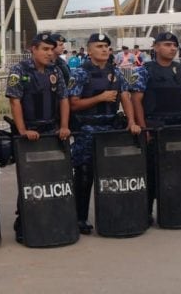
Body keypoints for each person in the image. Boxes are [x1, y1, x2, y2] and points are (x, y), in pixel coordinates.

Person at [67, 33, 140, 235]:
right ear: (89, 50)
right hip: (87, 130)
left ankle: (112, 215)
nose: (104, 49)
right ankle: (79, 217)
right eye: (99, 46)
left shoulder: (115, 72)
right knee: (84, 175)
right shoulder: (80, 73)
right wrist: (100, 98)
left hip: (110, 129)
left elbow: (125, 97)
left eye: (107, 46)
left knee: (112, 175)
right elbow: (73, 104)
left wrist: (132, 121)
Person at [130, 32, 181, 224]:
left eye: (174, 45)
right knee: (151, 172)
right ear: (155, 47)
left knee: (180, 172)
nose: (172, 48)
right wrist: (143, 127)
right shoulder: (143, 70)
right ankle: (146, 213)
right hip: (155, 128)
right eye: (167, 44)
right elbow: (136, 100)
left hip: (179, 128)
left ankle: (177, 210)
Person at [6, 32, 71, 243]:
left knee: (53, 177)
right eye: (44, 49)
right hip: (29, 135)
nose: (49, 53)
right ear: (33, 49)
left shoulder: (56, 70)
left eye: (51, 49)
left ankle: (51, 219)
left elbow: (63, 99)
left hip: (52, 132)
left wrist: (63, 126)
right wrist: (23, 130)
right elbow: (15, 101)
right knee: (30, 179)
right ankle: (23, 223)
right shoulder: (19, 70)